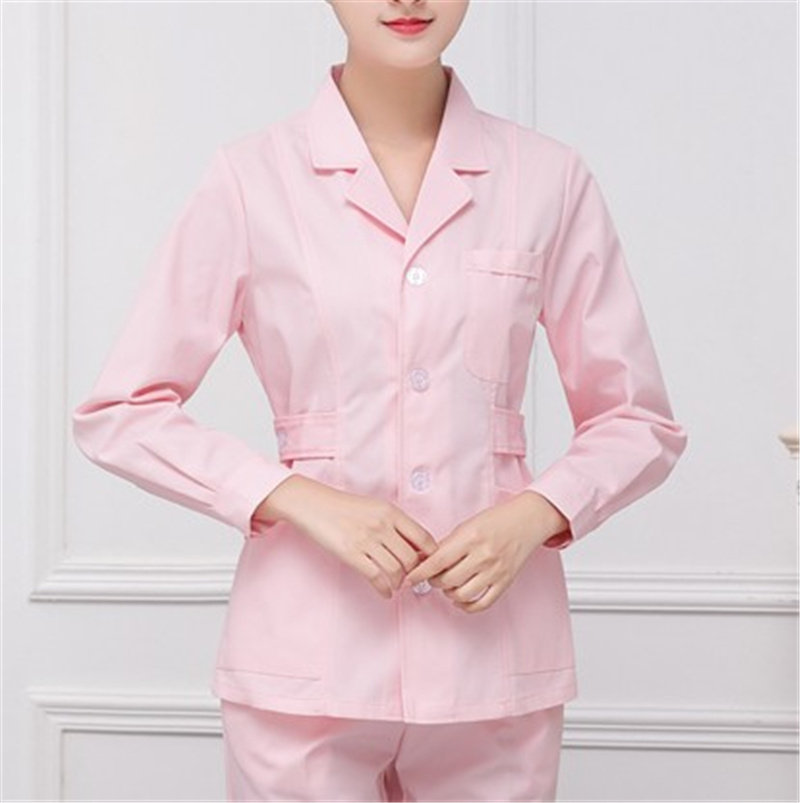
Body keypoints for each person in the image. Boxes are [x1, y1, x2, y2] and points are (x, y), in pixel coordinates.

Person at [71, 1, 689, 800]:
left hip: (493, 661)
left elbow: (638, 419)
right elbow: (122, 410)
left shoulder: (547, 180)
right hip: (304, 660)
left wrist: (532, 516)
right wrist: (300, 497)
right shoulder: (253, 180)